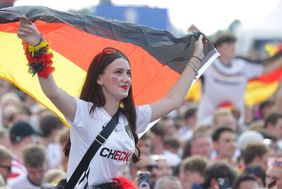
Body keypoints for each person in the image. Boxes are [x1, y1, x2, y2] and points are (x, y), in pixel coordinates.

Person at [17, 17, 205, 188]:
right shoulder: (83, 112)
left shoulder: (131, 117)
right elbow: (52, 91)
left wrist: (196, 58)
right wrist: (38, 47)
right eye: (118, 72)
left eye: (128, 73)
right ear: (99, 78)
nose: (126, 79)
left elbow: (173, 100)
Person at [197, 33, 282, 124]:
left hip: (235, 122)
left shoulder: (242, 65)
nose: (232, 49)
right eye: (227, 46)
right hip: (208, 120)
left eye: (233, 46)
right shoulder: (209, 64)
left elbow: (267, 68)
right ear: (218, 49)